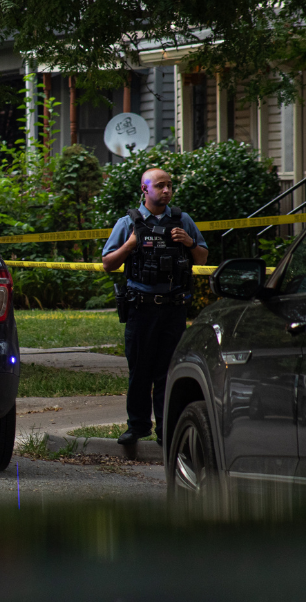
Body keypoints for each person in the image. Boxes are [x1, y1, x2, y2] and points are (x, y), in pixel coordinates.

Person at [101, 168, 208, 445]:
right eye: (160, 186)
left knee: (167, 371)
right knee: (140, 371)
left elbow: (202, 258)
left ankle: (166, 430)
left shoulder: (182, 220)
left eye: (170, 185)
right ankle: (136, 427)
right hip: (141, 309)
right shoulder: (129, 223)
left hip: (172, 309)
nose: (167, 190)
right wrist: (131, 245)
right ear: (144, 190)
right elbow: (108, 263)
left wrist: (189, 242)